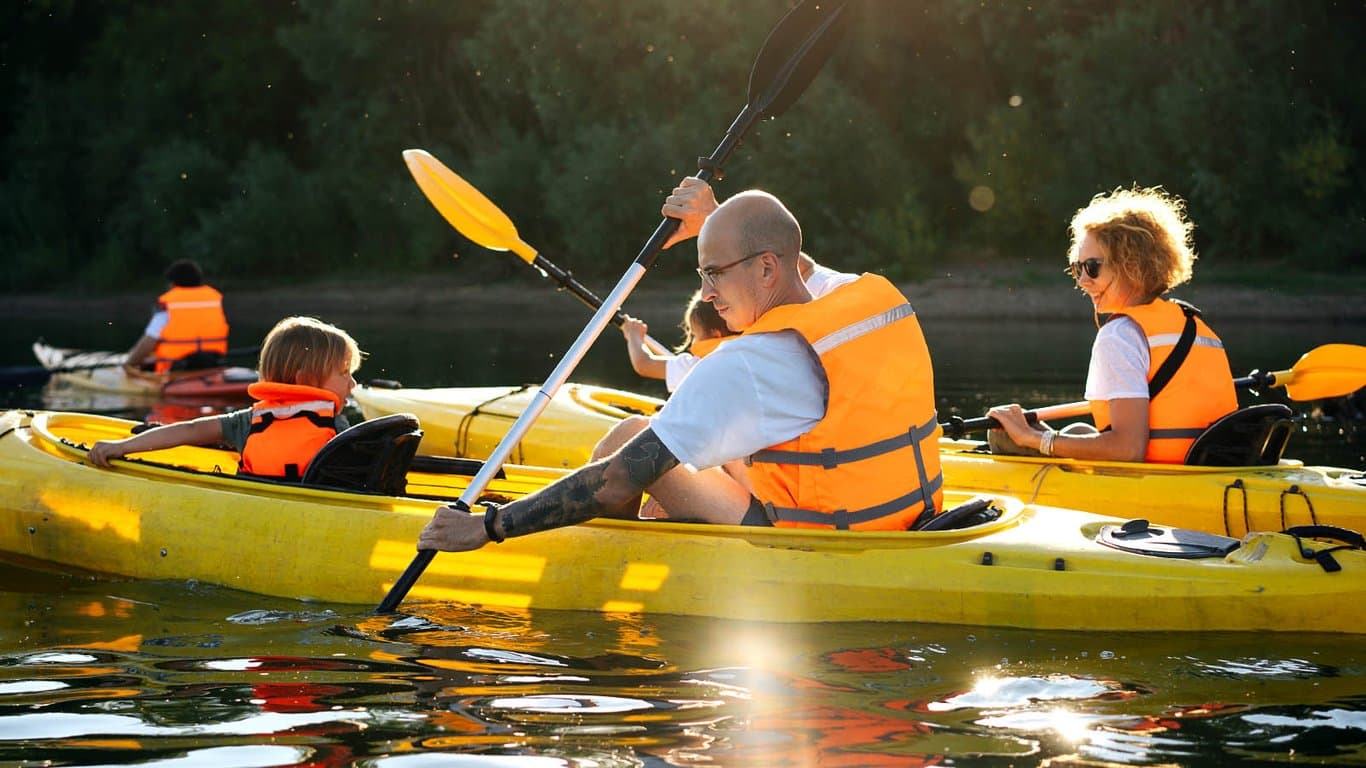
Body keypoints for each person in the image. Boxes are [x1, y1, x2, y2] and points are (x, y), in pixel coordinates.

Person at [418, 185, 943, 553]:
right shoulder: (859, 296)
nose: (707, 294)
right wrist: (714, 221)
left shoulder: (746, 365)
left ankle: (615, 567)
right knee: (639, 432)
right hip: (899, 518)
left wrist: (488, 526)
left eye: (714, 273)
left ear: (766, 267)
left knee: (626, 448)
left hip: (813, 546)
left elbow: (615, 481)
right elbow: (792, 255)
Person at [986, 186, 1237, 463]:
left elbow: (1128, 450)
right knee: (1079, 431)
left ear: (1132, 264)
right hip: (1211, 467)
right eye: (1077, 268)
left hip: (1161, 475)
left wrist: (1033, 438)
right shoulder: (1195, 324)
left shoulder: (1120, 335)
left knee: (1002, 437)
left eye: (1092, 267)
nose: (1082, 281)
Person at [89, 316, 363, 479]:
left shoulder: (248, 422)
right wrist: (123, 447)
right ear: (305, 379)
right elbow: (189, 430)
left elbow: (190, 430)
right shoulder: (335, 427)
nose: (352, 384)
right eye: (344, 374)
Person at [124, 258, 230, 374]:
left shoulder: (169, 304)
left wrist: (129, 364)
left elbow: (149, 341)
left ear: (173, 284)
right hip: (212, 364)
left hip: (177, 370)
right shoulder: (213, 301)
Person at [620, 289, 737, 393]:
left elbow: (644, 364)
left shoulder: (697, 367)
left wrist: (634, 335)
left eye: (694, 335)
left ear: (716, 335)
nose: (692, 342)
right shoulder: (743, 355)